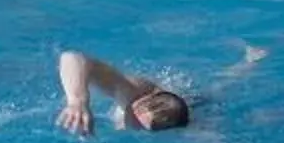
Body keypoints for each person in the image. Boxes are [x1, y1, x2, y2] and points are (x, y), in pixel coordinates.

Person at [56, 49, 190, 133]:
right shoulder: (130, 91)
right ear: (141, 101)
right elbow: (72, 57)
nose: (128, 124)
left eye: (141, 127)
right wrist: (78, 101)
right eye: (135, 117)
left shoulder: (180, 127)